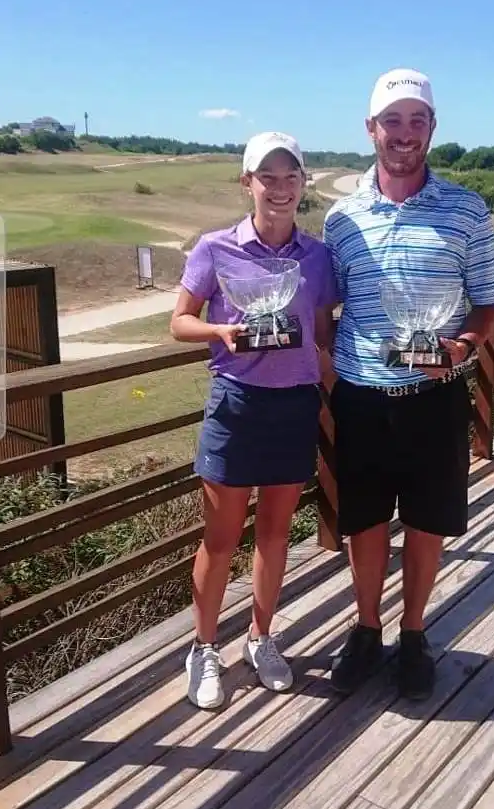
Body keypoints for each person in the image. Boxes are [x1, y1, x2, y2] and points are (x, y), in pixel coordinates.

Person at [323, 69, 494, 700]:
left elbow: (487, 304)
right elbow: (324, 306)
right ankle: (366, 629)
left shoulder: (466, 209)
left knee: (427, 522)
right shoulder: (341, 218)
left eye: (417, 121)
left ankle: (414, 633)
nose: (405, 135)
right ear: (370, 129)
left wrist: (463, 345)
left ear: (432, 128)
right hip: (361, 396)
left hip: (435, 396)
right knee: (366, 522)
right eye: (392, 121)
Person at [171, 131, 337, 709]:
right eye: (269, 178)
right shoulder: (215, 248)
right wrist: (221, 332)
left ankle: (261, 639)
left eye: (291, 177)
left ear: (302, 185)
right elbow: (179, 323)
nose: (281, 188)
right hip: (236, 404)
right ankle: (203, 648)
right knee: (219, 541)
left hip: (293, 405)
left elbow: (320, 333)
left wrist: (329, 385)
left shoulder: (316, 256)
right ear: (248, 183)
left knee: (274, 533)